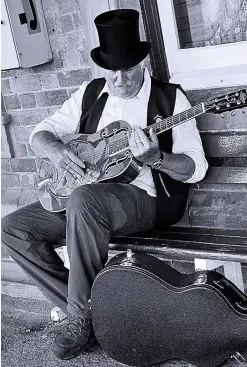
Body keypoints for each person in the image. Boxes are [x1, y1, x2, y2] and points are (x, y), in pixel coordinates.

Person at [1, 9, 208, 361]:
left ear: (142, 63)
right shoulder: (91, 93)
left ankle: (79, 319)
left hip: (143, 198)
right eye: (112, 71)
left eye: (128, 70)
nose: (120, 79)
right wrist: (56, 152)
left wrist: (156, 158)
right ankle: (96, 315)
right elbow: (39, 134)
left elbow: (196, 167)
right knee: (13, 228)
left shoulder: (171, 99)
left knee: (84, 199)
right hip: (87, 200)